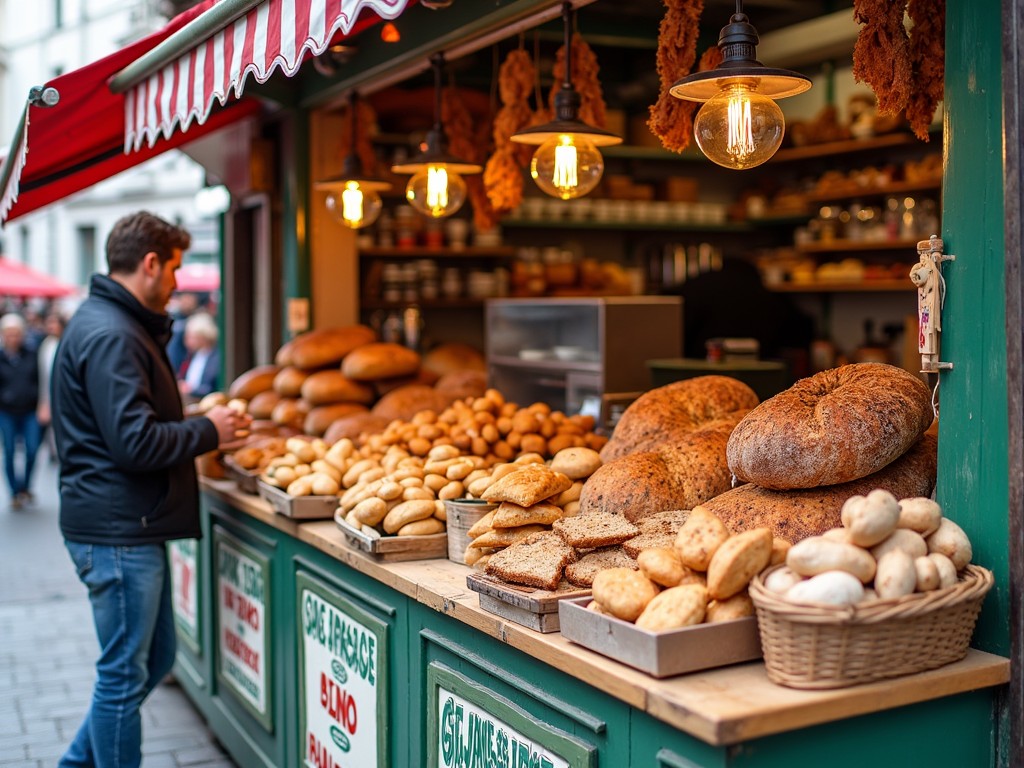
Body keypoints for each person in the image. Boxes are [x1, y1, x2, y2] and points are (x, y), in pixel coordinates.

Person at [51, 211, 246, 768]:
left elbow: (125, 424)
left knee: (154, 658)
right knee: (121, 678)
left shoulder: (111, 322)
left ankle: (72, 763)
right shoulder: (113, 332)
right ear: (151, 263)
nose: (179, 283)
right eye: (176, 268)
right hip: (117, 532)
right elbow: (132, 443)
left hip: (124, 525)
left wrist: (184, 418)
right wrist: (210, 430)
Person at [0, 313, 41, 509]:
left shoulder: (32, 354)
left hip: (29, 410)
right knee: (8, 450)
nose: (13, 338)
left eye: (16, 333)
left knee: (32, 449)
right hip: (7, 411)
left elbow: (39, 380)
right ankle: (15, 492)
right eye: (9, 334)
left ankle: (24, 486)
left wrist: (42, 403)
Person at [36, 311, 65, 463]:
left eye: (54, 323)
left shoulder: (67, 343)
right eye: (49, 323)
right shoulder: (45, 345)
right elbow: (42, 377)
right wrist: (43, 401)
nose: (51, 327)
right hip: (49, 394)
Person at [177, 311, 221, 401]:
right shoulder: (193, 355)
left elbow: (211, 387)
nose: (186, 341)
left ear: (203, 336)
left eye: (191, 337)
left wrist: (191, 390)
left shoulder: (215, 358)